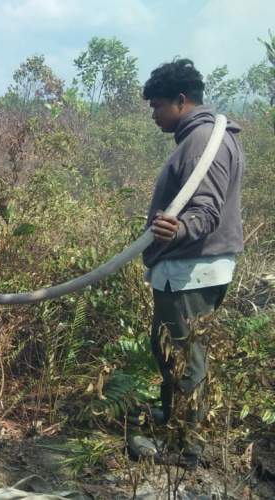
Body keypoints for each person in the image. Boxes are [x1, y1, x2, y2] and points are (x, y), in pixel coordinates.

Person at [133, 59, 245, 470]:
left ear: (181, 101)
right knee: (172, 350)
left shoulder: (202, 141)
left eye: (158, 106)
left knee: (183, 358)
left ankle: (183, 448)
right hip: (190, 268)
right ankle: (176, 420)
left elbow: (206, 211)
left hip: (190, 270)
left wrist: (177, 229)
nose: (153, 115)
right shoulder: (202, 136)